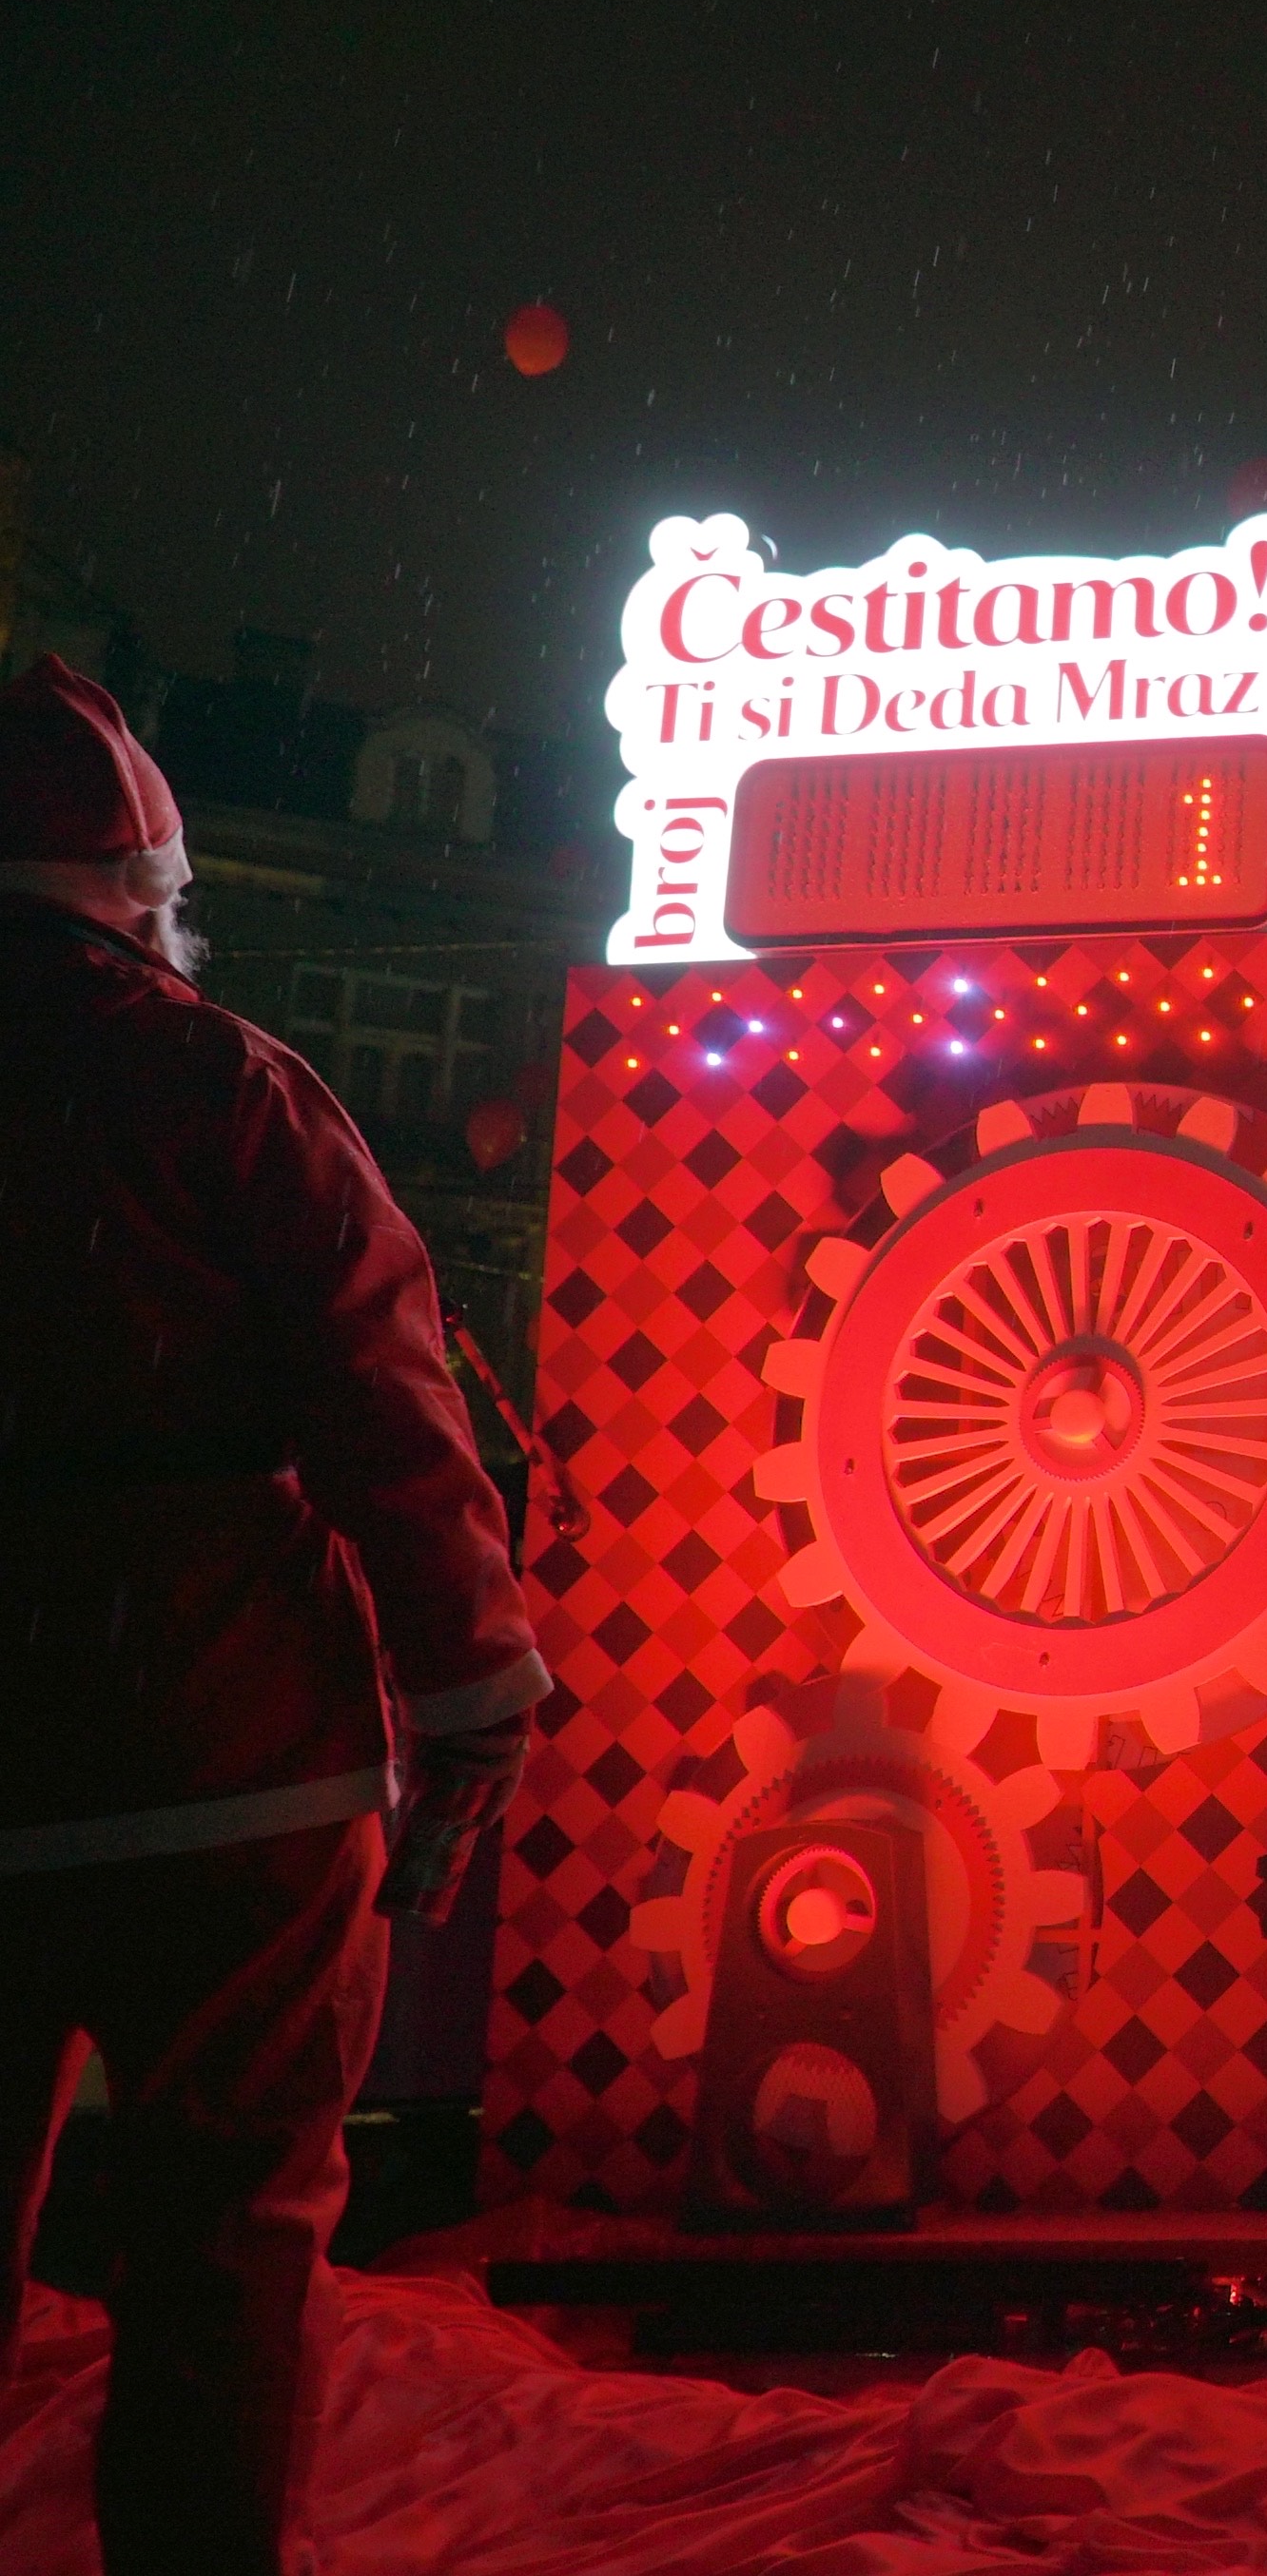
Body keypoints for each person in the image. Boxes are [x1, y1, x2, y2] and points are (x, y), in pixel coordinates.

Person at [0, 654, 546, 2574]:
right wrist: (475, 1690)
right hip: (235, 1764)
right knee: (225, 2250)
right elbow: (388, 1407)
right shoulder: (227, 1087)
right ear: (143, 890)